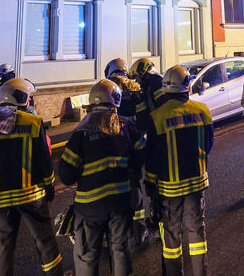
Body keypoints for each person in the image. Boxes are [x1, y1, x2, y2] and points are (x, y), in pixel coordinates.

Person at [0, 78, 63, 276]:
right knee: (45, 242)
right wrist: (49, 188)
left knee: (3, 247)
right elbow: (44, 162)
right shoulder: (34, 123)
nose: (31, 102)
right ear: (23, 98)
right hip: (31, 196)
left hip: (0, 200)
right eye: (30, 97)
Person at [59, 80, 146, 276]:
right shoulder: (128, 126)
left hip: (89, 205)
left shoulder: (80, 132)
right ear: (116, 100)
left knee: (87, 256)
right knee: (120, 250)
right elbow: (140, 158)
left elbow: (66, 175)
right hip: (120, 201)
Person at [144, 65, 214, 276]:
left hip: (169, 189)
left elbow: (152, 157)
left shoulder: (157, 117)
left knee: (171, 237)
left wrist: (149, 182)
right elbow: (209, 144)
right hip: (196, 184)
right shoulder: (202, 111)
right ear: (187, 86)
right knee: (197, 234)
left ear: (165, 89)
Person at [103, 58, 152, 247]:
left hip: (112, 145)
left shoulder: (107, 86)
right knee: (135, 189)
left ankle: (112, 236)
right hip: (132, 142)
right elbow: (143, 116)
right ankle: (140, 233)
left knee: (112, 192)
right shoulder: (134, 87)